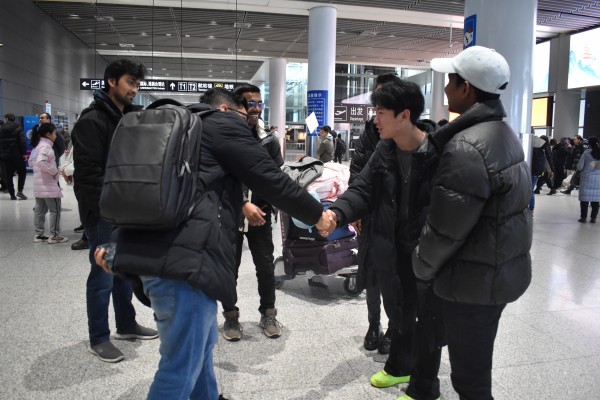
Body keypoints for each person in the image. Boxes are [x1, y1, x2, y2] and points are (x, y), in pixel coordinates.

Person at [94, 88, 333, 400]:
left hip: (160, 258)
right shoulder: (222, 123)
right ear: (224, 109)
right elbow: (269, 178)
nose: (248, 118)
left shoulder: (182, 129)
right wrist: (317, 215)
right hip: (185, 264)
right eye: (244, 111)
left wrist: (116, 243)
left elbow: (141, 186)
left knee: (201, 347)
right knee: (179, 367)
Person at [413, 46, 532, 400]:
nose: (445, 87)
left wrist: (420, 265)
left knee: (471, 382)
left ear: (466, 88)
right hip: (492, 272)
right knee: (475, 370)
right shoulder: (502, 132)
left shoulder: (466, 146)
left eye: (450, 80)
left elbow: (445, 229)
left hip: (472, 282)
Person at [319, 79, 441, 398]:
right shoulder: (385, 150)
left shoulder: (438, 152)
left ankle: (426, 387)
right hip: (393, 243)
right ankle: (399, 367)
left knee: (428, 317)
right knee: (400, 308)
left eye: (381, 112)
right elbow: (362, 188)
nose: (375, 119)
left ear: (404, 115)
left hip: (429, 250)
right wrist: (336, 214)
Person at [72, 59, 158, 363]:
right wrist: (105, 211)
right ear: (111, 81)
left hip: (127, 210)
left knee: (123, 269)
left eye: (137, 84)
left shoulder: (130, 118)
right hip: (103, 213)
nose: (134, 89)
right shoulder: (92, 121)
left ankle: (126, 324)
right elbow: (88, 175)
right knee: (102, 275)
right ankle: (98, 337)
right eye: (129, 82)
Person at [219, 84, 285, 341]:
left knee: (265, 267)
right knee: (229, 269)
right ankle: (231, 316)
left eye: (259, 103)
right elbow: (218, 178)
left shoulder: (268, 141)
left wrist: (267, 205)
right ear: (238, 106)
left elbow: (276, 178)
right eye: (250, 103)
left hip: (260, 214)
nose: (256, 108)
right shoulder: (223, 136)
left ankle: (268, 313)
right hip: (230, 215)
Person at [349, 72, 403, 355]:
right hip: (371, 215)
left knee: (395, 275)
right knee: (370, 271)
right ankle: (374, 324)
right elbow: (357, 172)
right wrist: (355, 211)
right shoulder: (369, 132)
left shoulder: (406, 130)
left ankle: (395, 327)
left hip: (398, 219)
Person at [29, 123, 68, 244]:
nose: (56, 135)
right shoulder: (46, 147)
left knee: (39, 211)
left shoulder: (36, 147)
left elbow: (31, 162)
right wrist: (54, 171)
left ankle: (39, 234)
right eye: (55, 133)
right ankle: (54, 235)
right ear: (48, 134)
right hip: (48, 185)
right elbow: (41, 162)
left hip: (38, 184)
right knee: (55, 210)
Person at [0, 113, 28, 200]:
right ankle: (20, 191)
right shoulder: (18, 128)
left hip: (5, 156)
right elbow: (22, 141)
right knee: (22, 172)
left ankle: (12, 195)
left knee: (8, 175)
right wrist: (24, 153)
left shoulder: (2, 129)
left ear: (7, 119)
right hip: (17, 155)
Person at [576, 136, 600, 223]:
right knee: (596, 200)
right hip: (598, 179)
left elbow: (579, 166)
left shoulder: (586, 153)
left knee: (584, 199)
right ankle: (593, 218)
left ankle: (583, 217)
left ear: (589, 143)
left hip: (586, 178)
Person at [530, 134, 553, 213]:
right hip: (538, 171)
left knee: (530, 189)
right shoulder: (543, 149)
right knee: (531, 189)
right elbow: (548, 160)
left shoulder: (530, 145)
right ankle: (531, 208)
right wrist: (551, 170)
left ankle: (530, 207)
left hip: (531, 171)